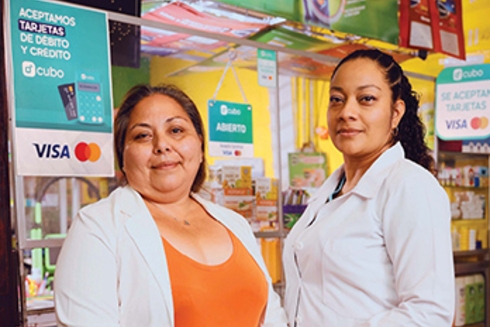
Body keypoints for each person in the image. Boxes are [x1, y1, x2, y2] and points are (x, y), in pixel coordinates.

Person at [54, 84, 288, 327]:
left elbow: (272, 318)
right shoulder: (97, 227)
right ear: (123, 156)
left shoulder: (234, 224)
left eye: (176, 130)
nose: (162, 145)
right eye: (143, 135)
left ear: (199, 146)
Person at [283, 49, 455, 326]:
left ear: (396, 112)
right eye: (337, 100)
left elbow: (428, 314)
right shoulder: (329, 191)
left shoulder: (410, 186)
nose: (347, 112)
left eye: (366, 99)